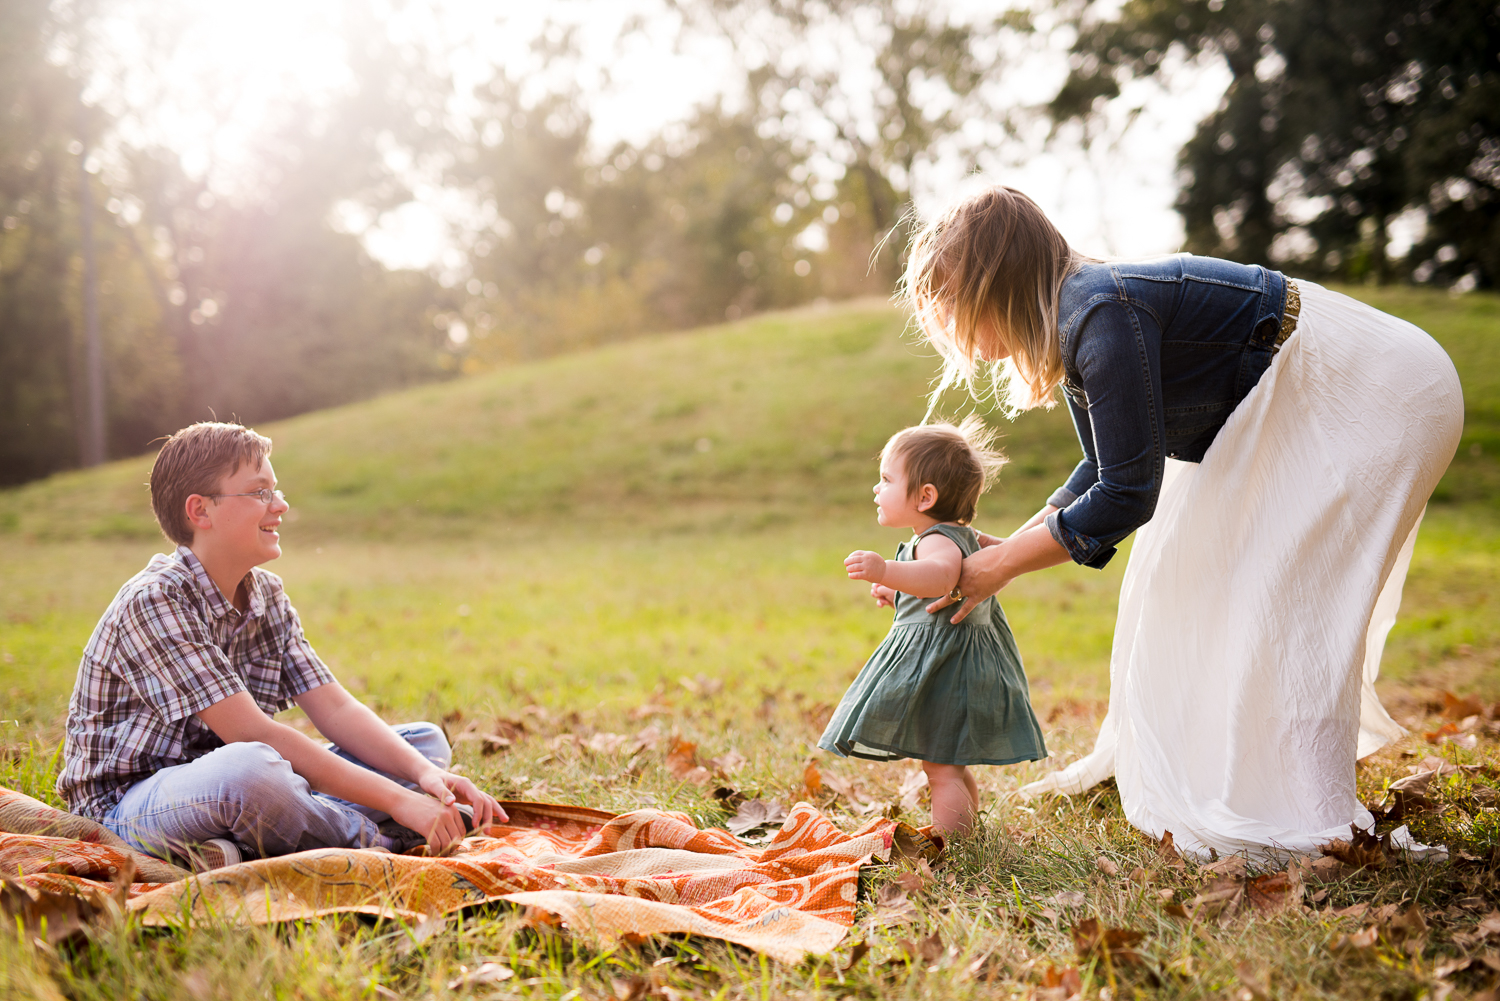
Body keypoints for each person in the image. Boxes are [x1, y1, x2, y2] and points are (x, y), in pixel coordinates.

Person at [902, 186, 1463, 859]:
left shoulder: (1099, 311)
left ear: (1005, 284)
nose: (958, 331)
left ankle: (1310, 808)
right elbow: (1103, 465)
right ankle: (1227, 769)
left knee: (1279, 596)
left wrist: (1000, 566)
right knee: (1175, 583)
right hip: (1293, 399)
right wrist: (1014, 542)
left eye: (959, 308)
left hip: (1365, 387)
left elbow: (1129, 492)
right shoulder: (1081, 317)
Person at [58, 421, 505, 870]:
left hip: (229, 785)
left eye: (276, 490)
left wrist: (428, 777)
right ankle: (379, 846)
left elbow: (335, 710)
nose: (281, 505)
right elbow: (253, 735)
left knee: (422, 745)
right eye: (259, 493)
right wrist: (399, 801)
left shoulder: (266, 595)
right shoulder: (155, 600)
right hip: (128, 806)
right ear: (200, 511)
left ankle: (244, 847)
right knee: (250, 770)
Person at [818, 418, 1047, 836]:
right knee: (948, 764)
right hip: (957, 663)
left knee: (941, 768)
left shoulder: (935, 540)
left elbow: (941, 576)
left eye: (886, 479)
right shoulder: (956, 535)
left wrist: (887, 569)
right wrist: (896, 591)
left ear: (925, 496)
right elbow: (933, 587)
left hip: (947, 667)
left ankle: (950, 844)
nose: (876, 488)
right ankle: (967, 837)